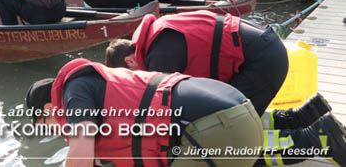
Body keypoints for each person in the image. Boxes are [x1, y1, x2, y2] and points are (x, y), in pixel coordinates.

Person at [103, 13, 346, 166]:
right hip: (266, 51)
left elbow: (167, 119)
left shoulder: (159, 58)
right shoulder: (160, 36)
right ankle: (308, 115)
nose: (134, 82)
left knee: (236, 145)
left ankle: (318, 138)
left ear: (129, 62)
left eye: (129, 77)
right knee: (236, 118)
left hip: (258, 61)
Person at [26, 58, 264, 167]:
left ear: (49, 108)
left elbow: (80, 156)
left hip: (217, 131)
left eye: (47, 124)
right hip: (244, 114)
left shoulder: (73, 91)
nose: (56, 131)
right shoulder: (97, 86)